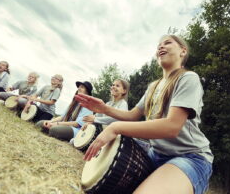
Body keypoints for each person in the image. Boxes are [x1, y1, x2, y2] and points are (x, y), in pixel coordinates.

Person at [75, 35, 213, 194]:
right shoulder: (153, 86)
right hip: (155, 153)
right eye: (159, 45)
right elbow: (133, 115)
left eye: (167, 43)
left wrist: (115, 127)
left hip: (190, 157)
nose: (161, 47)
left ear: (183, 51)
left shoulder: (188, 78)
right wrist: (105, 109)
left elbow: (172, 127)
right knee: (114, 141)